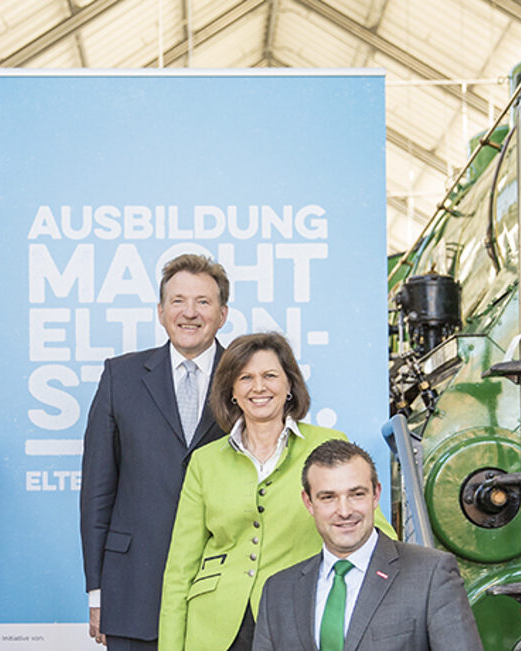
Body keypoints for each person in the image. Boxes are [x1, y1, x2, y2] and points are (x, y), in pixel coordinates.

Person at [159, 332, 395, 651]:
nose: (259, 387)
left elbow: (373, 529)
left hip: (299, 614)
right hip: (216, 626)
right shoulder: (204, 461)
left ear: (289, 386)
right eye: (246, 378)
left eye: (270, 375)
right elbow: (179, 568)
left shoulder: (327, 444)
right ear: (232, 391)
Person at [80, 253, 232, 650]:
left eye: (203, 302)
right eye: (178, 301)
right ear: (161, 312)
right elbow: (97, 491)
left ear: (222, 314)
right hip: (133, 590)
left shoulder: (247, 379)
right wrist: (97, 593)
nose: (190, 313)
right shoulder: (120, 377)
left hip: (222, 592)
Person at [253, 440, 483, 651]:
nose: (344, 511)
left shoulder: (431, 574)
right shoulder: (277, 591)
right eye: (328, 498)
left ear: (375, 495)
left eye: (356, 494)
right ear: (309, 502)